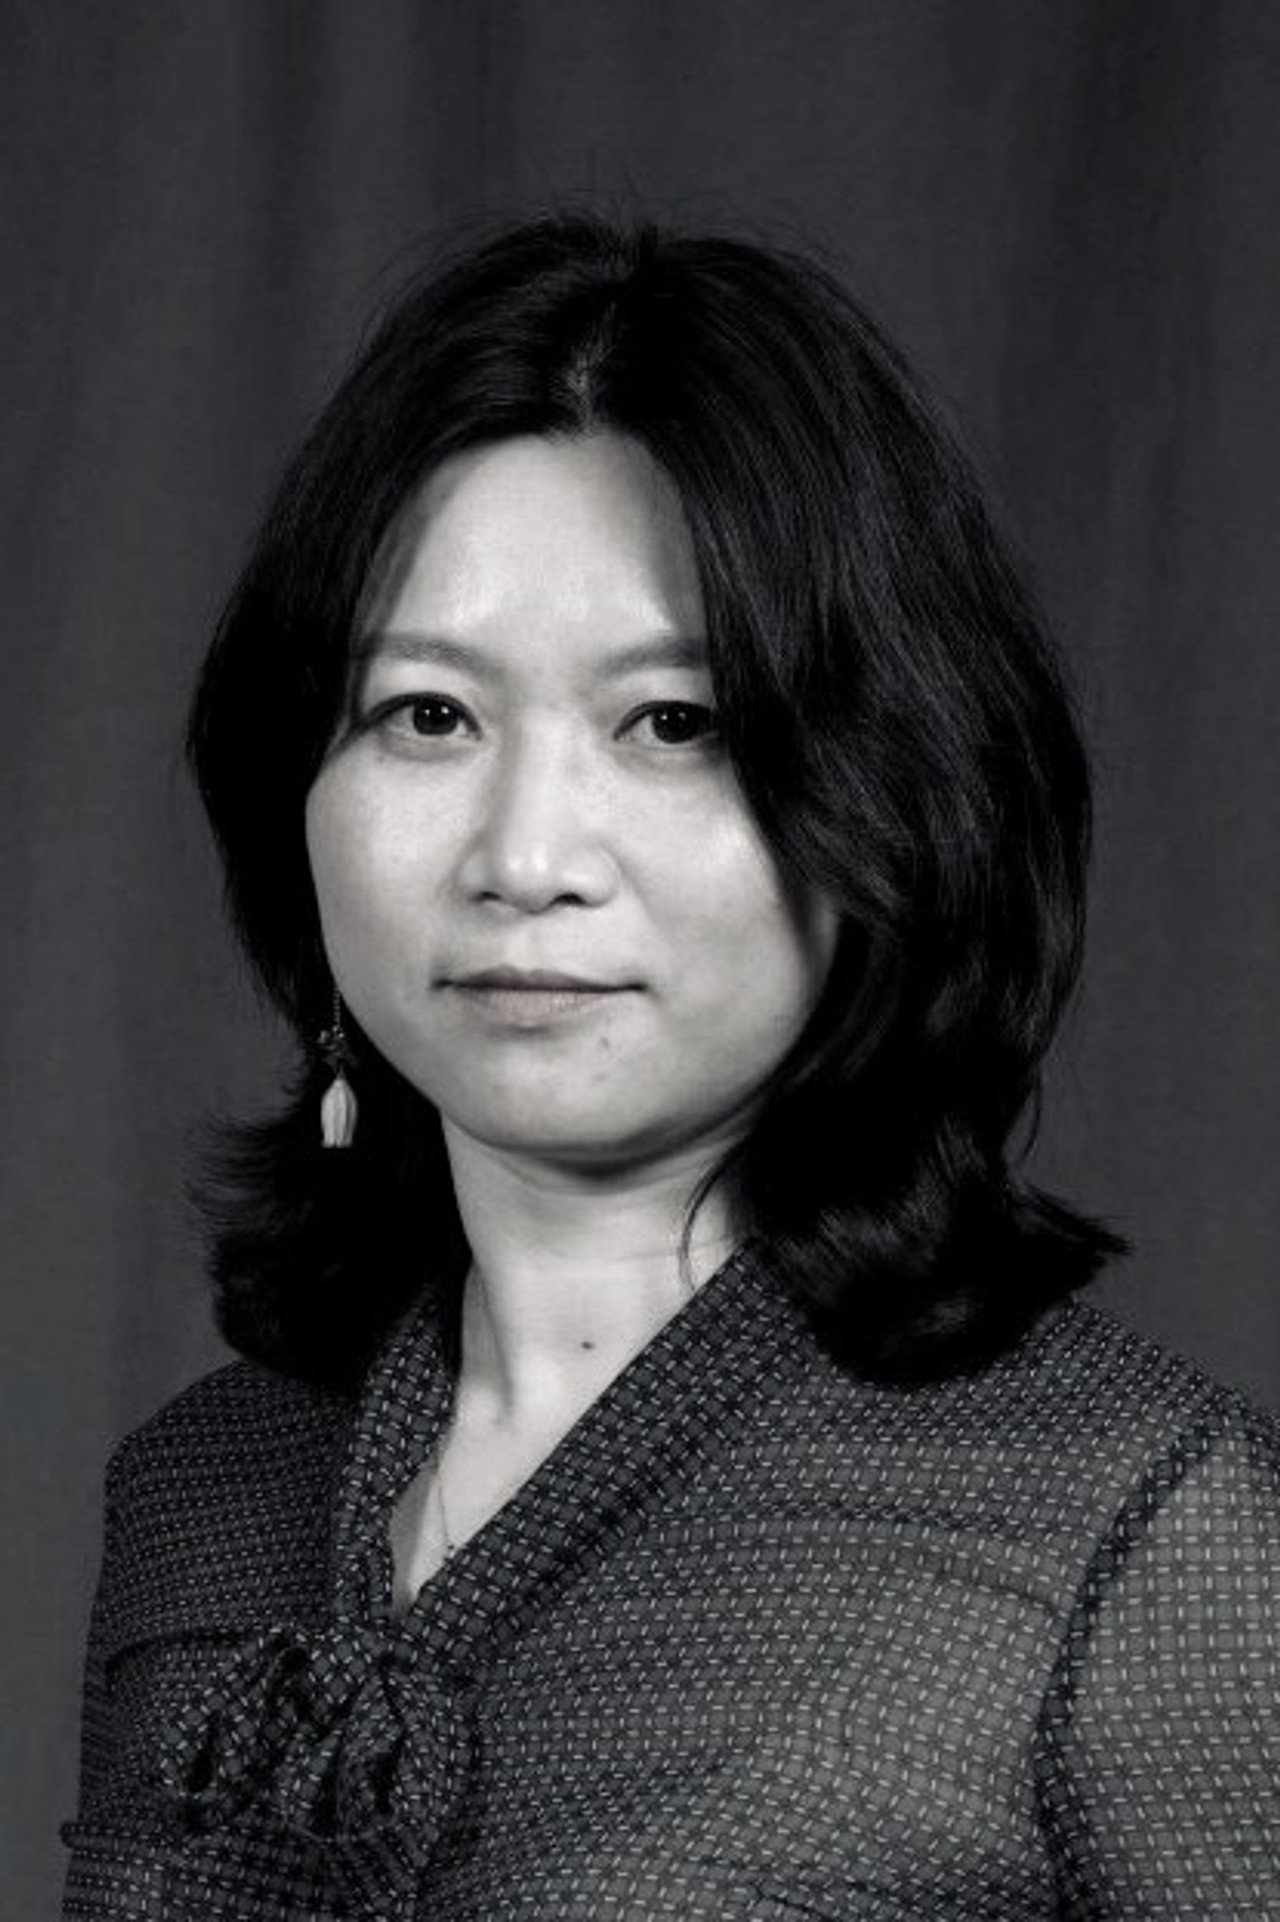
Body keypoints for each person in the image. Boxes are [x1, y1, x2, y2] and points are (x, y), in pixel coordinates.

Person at [62, 212, 1279, 1921]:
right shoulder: (203, 1486)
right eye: (427, 713)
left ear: (891, 796)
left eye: (675, 723)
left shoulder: (1135, 1522)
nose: (525, 855)